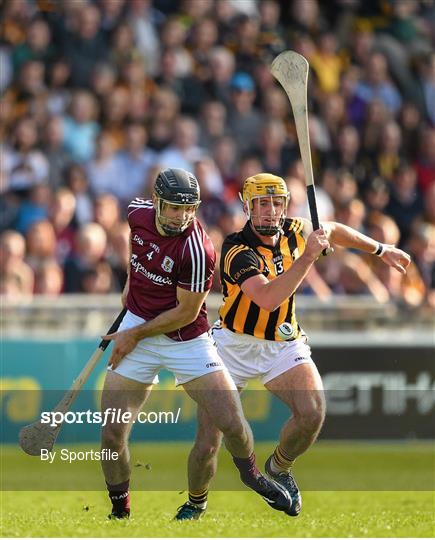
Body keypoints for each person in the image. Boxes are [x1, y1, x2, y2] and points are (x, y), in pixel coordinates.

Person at [180, 173, 411, 517]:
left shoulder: (294, 229)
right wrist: (308, 257)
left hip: (283, 342)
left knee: (312, 413)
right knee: (207, 442)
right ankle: (195, 503)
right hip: (232, 345)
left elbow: (332, 229)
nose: (271, 211)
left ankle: (278, 468)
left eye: (276, 203)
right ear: (248, 207)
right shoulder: (236, 249)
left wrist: (380, 249)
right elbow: (268, 299)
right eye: (262, 204)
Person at [100, 168, 293, 520]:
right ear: (157, 203)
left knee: (232, 423)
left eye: (188, 209)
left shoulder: (198, 249)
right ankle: (120, 512)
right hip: (137, 325)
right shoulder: (136, 213)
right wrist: (132, 280)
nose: (181, 216)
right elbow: (137, 248)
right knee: (112, 432)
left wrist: (133, 335)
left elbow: (185, 313)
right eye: (173, 208)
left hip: (185, 338)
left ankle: (251, 474)